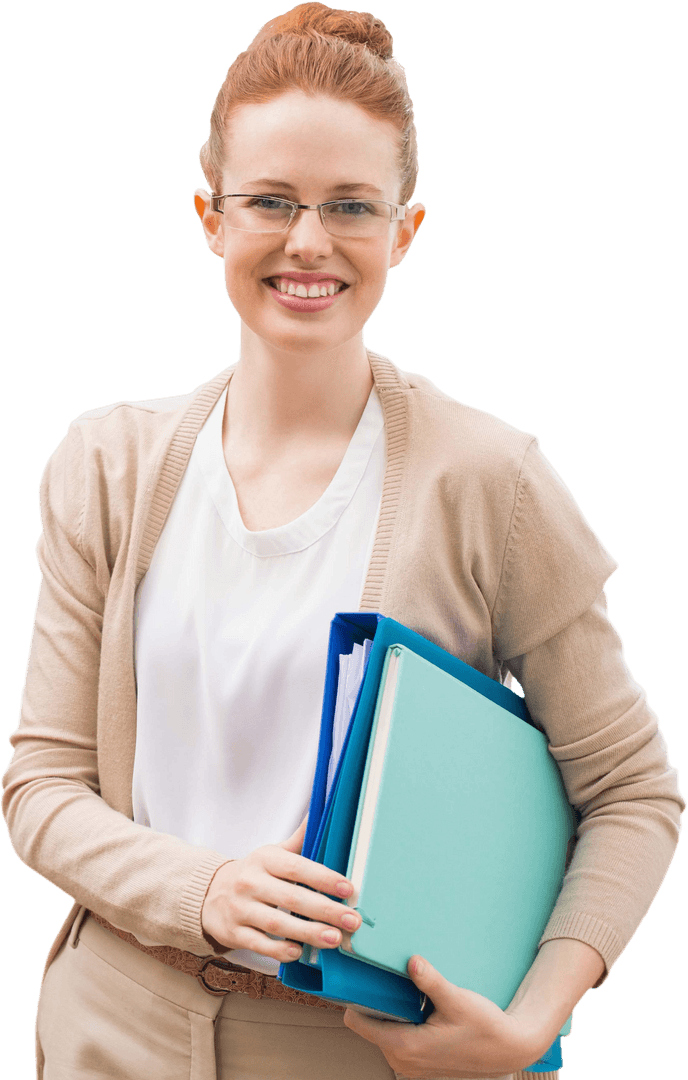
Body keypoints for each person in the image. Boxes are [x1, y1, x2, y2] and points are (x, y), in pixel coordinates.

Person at [1, 3, 684, 1079]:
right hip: (108, 1026)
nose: (307, 241)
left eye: (350, 207)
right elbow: (40, 788)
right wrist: (205, 890)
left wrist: (531, 1023)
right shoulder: (105, 464)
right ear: (209, 217)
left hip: (355, 1051)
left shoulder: (491, 480)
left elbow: (633, 795)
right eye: (270, 200)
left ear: (403, 232)